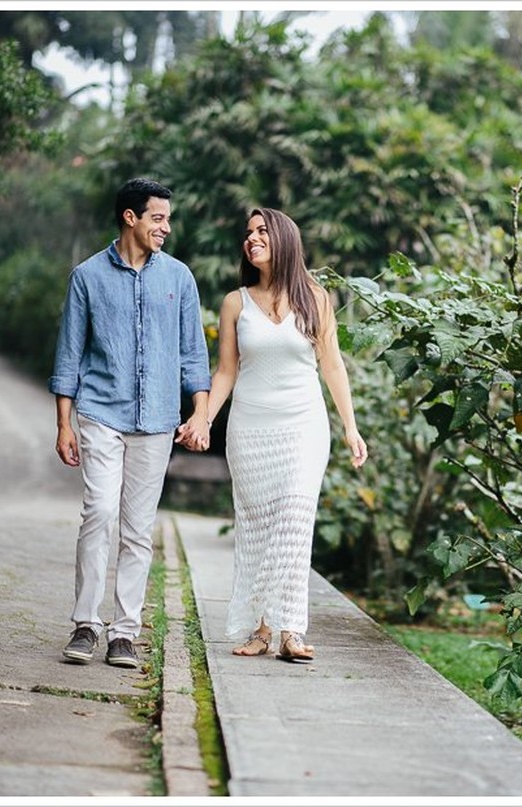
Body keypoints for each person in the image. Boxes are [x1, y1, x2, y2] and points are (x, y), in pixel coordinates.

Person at [49, 177, 212, 668]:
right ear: (131, 218)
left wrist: (200, 412)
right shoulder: (87, 277)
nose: (166, 227)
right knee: (99, 511)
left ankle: (124, 631)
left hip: (159, 419)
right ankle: (85, 624)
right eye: (158, 217)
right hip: (101, 412)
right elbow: (69, 354)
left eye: (167, 218)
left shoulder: (180, 278)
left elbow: (193, 354)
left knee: (139, 529)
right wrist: (64, 423)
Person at [196, 207, 367, 663]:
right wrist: (204, 419)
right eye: (248, 233)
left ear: (284, 238)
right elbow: (227, 371)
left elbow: (332, 364)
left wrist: (350, 427)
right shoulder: (236, 302)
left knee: (293, 521)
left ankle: (291, 630)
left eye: (261, 231)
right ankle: (261, 630)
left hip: (303, 427)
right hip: (250, 431)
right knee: (257, 529)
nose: (251, 238)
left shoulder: (316, 297)